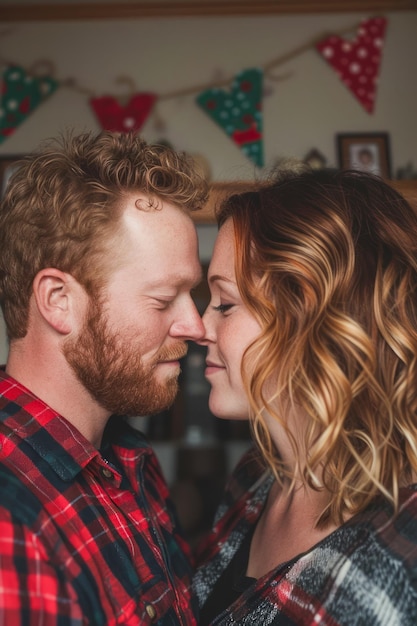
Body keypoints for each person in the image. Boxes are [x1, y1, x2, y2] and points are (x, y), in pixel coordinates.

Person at [0, 130, 209, 625]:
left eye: (192, 295)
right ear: (58, 301)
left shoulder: (130, 458)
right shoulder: (11, 522)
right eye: (162, 299)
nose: (196, 327)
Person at [193, 165, 417, 625]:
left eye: (226, 304)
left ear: (312, 316)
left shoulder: (405, 538)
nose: (198, 327)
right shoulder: (253, 477)